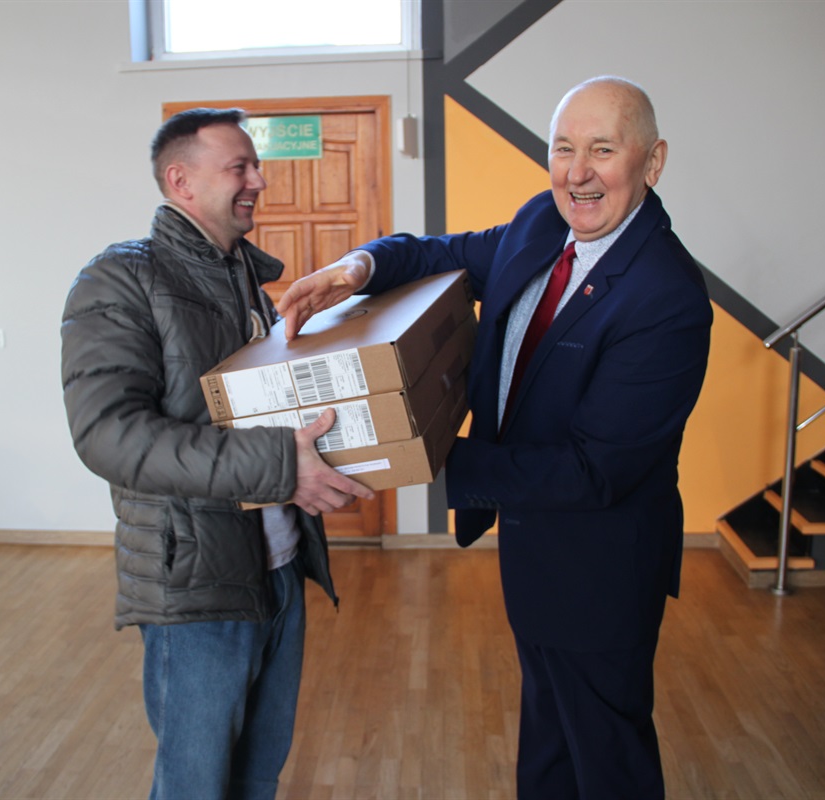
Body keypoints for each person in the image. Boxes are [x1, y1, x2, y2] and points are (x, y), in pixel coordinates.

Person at [277, 77, 713, 799]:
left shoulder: (666, 297)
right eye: (563, 149)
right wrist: (357, 269)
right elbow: (440, 253)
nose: (578, 172)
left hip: (600, 570)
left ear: (653, 161)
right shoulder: (543, 222)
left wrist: (420, 451)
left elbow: (593, 471)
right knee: (547, 737)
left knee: (607, 755)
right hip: (533, 549)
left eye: (603, 150)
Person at [60, 107, 374, 800]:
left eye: (254, 166)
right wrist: (283, 465)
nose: (258, 181)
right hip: (197, 585)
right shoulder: (118, 281)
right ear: (181, 181)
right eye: (240, 167)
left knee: (257, 774)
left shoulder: (247, 285)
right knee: (196, 783)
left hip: (279, 567)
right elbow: (108, 433)